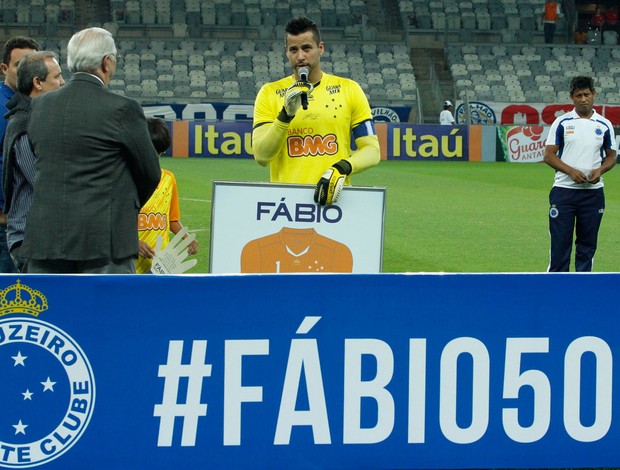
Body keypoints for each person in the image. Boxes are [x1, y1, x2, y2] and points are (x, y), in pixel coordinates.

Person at [21, 27, 161, 274]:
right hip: (104, 244)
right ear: (107, 62)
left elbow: (39, 158)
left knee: (52, 312)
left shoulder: (40, 106)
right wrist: (123, 207)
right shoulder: (123, 109)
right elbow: (150, 172)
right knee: (107, 312)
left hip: (46, 238)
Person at [252, 16, 380, 206]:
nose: (300, 56)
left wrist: (342, 168)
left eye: (306, 48)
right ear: (286, 52)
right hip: (285, 204)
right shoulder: (269, 93)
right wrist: (285, 115)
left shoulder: (349, 89)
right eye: (293, 49)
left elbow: (372, 150)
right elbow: (262, 156)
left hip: (333, 201)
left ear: (320, 48)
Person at [543, 76, 617, 272]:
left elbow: (611, 156)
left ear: (594, 95)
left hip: (592, 193)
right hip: (564, 191)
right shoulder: (562, 122)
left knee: (587, 245)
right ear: (572, 98)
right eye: (578, 95)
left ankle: (583, 286)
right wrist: (570, 171)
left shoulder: (604, 124)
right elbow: (549, 156)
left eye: (587, 94)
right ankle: (557, 287)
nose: (583, 99)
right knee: (560, 244)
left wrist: (600, 170)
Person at [2, 51, 64, 272]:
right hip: (31, 239)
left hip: (43, 238)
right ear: (37, 82)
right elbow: (42, 181)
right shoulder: (25, 125)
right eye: (56, 77)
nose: (62, 82)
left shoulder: (38, 119)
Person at [136, 117, 198, 274]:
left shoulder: (169, 179)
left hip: (161, 264)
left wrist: (186, 238)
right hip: (132, 264)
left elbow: (172, 219)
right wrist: (133, 244)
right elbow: (112, 225)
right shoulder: (127, 179)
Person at [0, 36, 39, 273]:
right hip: (6, 226)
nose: (25, 71)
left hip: (29, 226)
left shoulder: (32, 106)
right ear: (4, 68)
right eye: (19, 65)